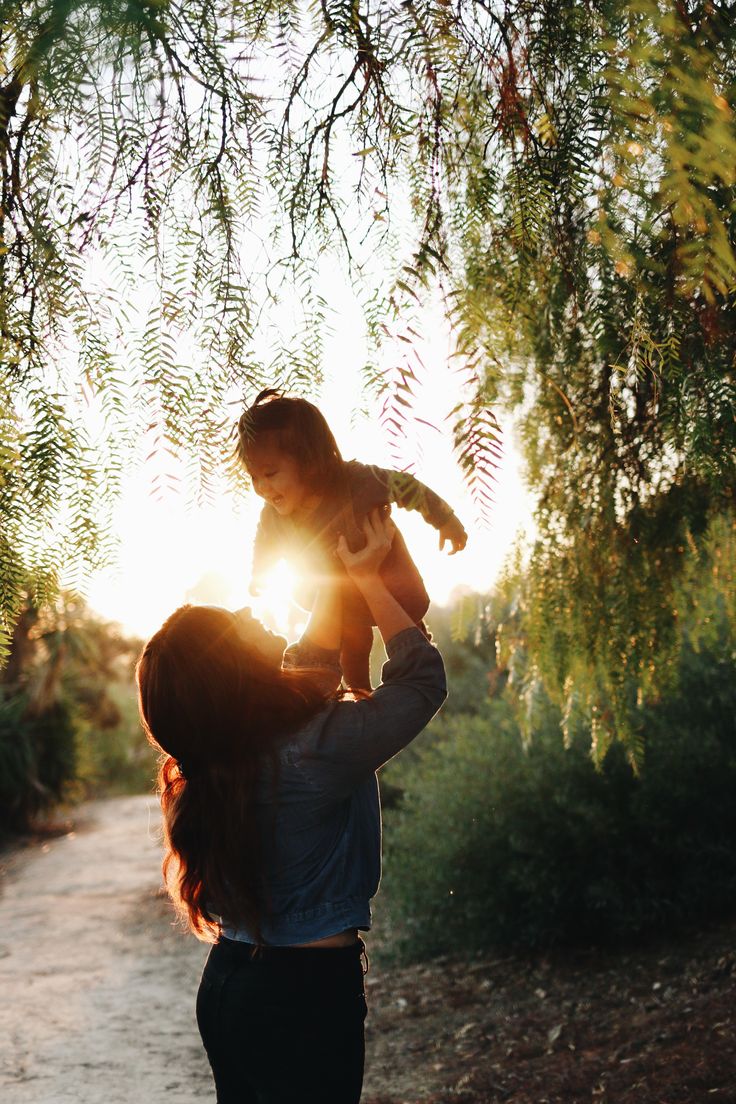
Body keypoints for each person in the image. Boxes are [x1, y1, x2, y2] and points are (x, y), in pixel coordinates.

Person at [136, 510, 447, 1104]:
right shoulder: (313, 747)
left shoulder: (221, 752)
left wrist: (338, 571)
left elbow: (313, 662)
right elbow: (421, 683)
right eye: (236, 624)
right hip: (302, 999)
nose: (250, 612)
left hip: (230, 986)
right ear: (235, 672)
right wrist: (373, 580)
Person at [236, 387, 467, 691]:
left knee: (403, 616)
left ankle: (414, 645)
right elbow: (264, 542)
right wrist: (259, 573)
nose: (262, 487)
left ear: (309, 462)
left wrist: (444, 519)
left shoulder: (358, 482)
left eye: (270, 473)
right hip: (336, 593)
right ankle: (359, 691)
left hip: (386, 577)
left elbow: (403, 486)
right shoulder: (273, 515)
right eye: (253, 477)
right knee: (352, 642)